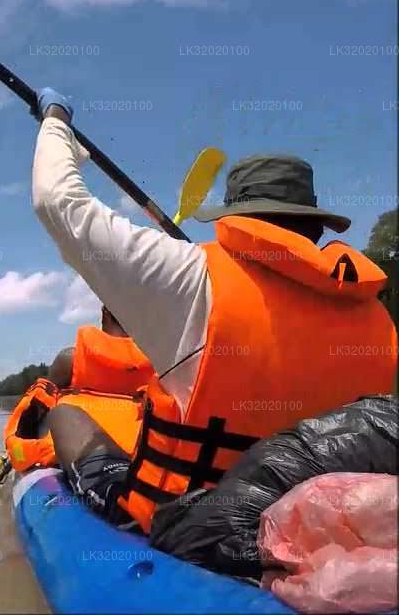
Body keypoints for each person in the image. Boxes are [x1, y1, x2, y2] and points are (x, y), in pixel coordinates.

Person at [29, 88, 397, 533]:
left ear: (232, 216)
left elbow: (56, 201)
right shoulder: (376, 316)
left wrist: (55, 120)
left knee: (66, 414)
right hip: (318, 528)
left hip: (190, 526)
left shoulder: (188, 274)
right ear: (316, 227)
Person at [2, 305, 155, 473]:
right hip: (142, 460)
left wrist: (17, 454)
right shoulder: (159, 366)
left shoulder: (70, 360)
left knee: (50, 411)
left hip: (72, 459)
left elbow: (31, 418)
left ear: (104, 313)